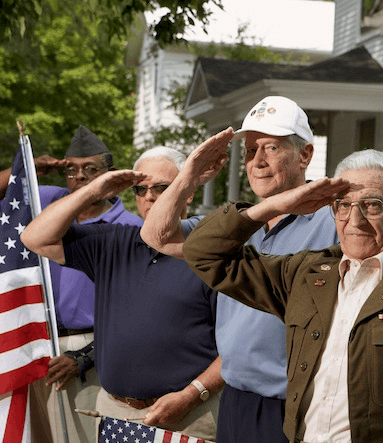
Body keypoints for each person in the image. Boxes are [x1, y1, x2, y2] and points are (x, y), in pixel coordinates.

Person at [182, 148, 383, 442]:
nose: (353, 221)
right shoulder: (306, 275)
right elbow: (204, 253)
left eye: (372, 205)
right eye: (343, 205)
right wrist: (276, 205)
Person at [141, 96, 341, 442]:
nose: (258, 162)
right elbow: (156, 235)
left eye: (272, 148)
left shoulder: (336, 220)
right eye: (250, 151)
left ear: (305, 155)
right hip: (235, 400)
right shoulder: (235, 224)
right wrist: (188, 175)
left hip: (295, 406)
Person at [20, 130, 233, 442]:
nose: (149, 196)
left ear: (187, 192)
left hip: (189, 414)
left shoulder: (213, 251)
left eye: (162, 187)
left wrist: (192, 394)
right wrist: (94, 190)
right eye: (140, 188)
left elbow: (235, 345)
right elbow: (34, 238)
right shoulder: (114, 241)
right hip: (116, 412)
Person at [0, 125, 142, 443]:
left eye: (90, 169)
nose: (79, 177)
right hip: (37, 343)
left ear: (109, 174)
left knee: (84, 437)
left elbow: (135, 308)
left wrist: (83, 357)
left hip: (93, 352)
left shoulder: (131, 227)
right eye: (71, 170)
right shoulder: (49, 203)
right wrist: (32, 166)